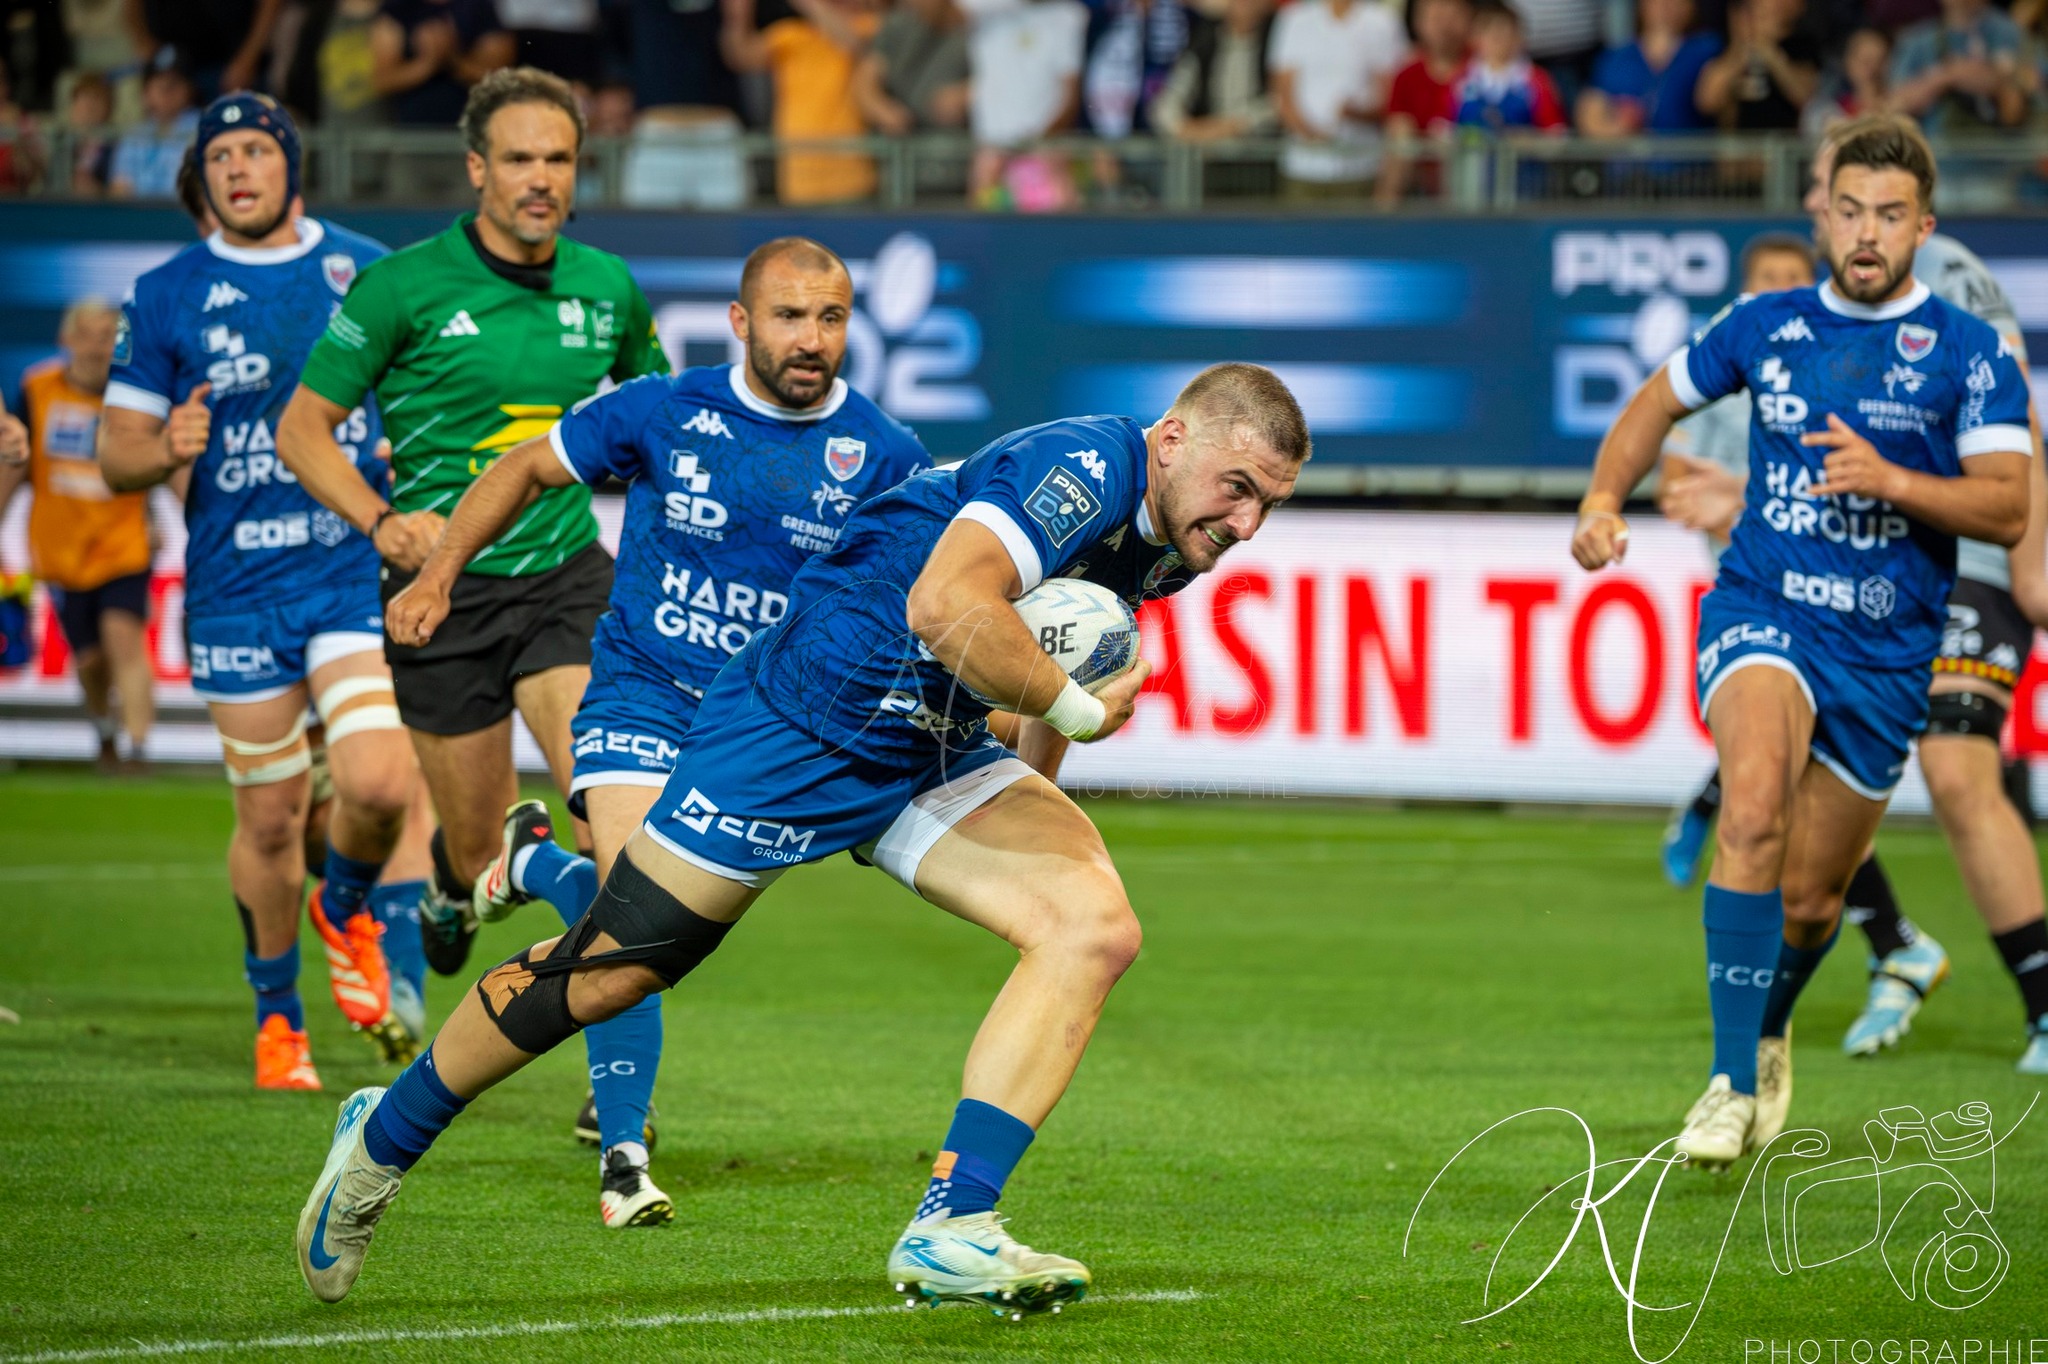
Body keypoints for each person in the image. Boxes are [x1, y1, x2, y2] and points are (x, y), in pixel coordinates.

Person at [295, 362, 1310, 1308]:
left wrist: (1031, 791)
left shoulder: (1174, 542)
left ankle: (949, 1222)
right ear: (1170, 439)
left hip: (933, 744)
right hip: (801, 719)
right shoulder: (1082, 466)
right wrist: (1084, 713)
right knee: (609, 970)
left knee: (1089, 925)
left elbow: (1031, 663)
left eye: (1268, 502)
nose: (1247, 521)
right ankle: (382, 1138)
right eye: (1237, 487)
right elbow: (944, 601)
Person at [382, 237, 933, 1228]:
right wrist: (437, 574)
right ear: (739, 321)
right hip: (639, 691)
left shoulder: (884, 453)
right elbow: (522, 467)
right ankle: (625, 1154)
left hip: (759, 728)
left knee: (642, 920)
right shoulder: (663, 408)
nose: (810, 339)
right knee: (629, 901)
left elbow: (934, 586)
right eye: (788, 316)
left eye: (831, 318)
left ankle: (529, 862)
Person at [1572, 119, 2031, 1168]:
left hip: (1884, 647)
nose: (1864, 234)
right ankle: (1728, 1084)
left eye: (1887, 216)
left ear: (1922, 226)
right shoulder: (1764, 322)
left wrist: (1893, 480)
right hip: (1764, 607)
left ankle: (1764, 1027)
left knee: (1815, 895)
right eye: (1847, 210)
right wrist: (1604, 496)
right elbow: (1655, 398)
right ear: (1821, 213)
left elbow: (2007, 506)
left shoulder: (1969, 353)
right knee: (1750, 799)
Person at [278, 67, 669, 985]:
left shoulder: (609, 287)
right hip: (440, 590)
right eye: (521, 158)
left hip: (568, 575)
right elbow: (300, 431)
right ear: (477, 171)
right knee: (476, 848)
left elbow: (659, 427)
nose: (543, 177)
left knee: (608, 815)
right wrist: (381, 522)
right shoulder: (400, 288)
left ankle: (606, 1047)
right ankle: (450, 896)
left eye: (561, 159)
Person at [97, 94, 421, 1089]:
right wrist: (166, 447)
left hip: (342, 574)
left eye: (256, 150)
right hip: (236, 591)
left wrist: (409, 448)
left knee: (375, 780)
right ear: (205, 178)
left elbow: (419, 396)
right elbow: (115, 455)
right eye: (220, 155)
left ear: (290, 164)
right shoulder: (164, 292)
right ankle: (278, 1017)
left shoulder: (364, 266)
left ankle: (348, 903)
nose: (239, 168)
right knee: (273, 815)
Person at [1656, 233, 1816, 884]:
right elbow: (1673, 475)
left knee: (1792, 726)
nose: (1780, 287)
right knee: (1779, 718)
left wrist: (1738, 489)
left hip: (1827, 566)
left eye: (1792, 276)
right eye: (1766, 276)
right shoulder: (1718, 372)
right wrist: (1729, 501)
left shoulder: (1842, 368)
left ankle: (1709, 805)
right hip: (1748, 575)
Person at [0, 301, 155, 771]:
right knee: (89, 660)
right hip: (62, 549)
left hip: (124, 541)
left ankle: (137, 750)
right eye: (87, 334)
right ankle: (105, 729)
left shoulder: (135, 397)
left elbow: (161, 460)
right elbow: (16, 461)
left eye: (108, 335)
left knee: (123, 636)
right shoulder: (37, 390)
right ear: (66, 340)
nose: (96, 345)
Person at [720, 0, 879, 206]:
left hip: (852, 179)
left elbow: (852, 43)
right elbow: (742, 57)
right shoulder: (792, 33)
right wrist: (738, 16)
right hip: (798, 179)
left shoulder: (870, 26)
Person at [1268, 0, 1405, 198]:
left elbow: (1393, 98)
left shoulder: (1382, 21)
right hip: (1303, 166)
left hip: (1362, 165)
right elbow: (1282, 94)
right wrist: (1312, 136)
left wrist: (1357, 113)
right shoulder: (1293, 18)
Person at [1575, 0, 1720, 135]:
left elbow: (1711, 100)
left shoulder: (1706, 49)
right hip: (1629, 157)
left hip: (1688, 158)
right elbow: (1589, 110)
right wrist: (1617, 129)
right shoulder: (1616, 57)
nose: (1666, 5)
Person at [1889, 0, 2029, 133]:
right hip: (1938, 149)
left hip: (1999, 149)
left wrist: (1949, 74)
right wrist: (1946, 76)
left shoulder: (2008, 32)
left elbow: (2014, 90)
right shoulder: (1918, 39)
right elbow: (1895, 103)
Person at [1150, 0, 1277, 144]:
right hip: (1208, 154)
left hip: (1261, 152)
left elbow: (1281, 102)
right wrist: (1188, 130)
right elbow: (1167, 103)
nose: (1245, 3)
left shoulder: (1278, 39)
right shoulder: (1204, 41)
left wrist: (1234, 126)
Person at [1695, 0, 1819, 131]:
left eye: (1764, 15)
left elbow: (1806, 98)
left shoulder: (1800, 46)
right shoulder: (1728, 49)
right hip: (1739, 145)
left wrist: (1771, 53)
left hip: (1782, 144)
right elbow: (1706, 101)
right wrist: (1741, 53)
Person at [852, 0, 972, 135]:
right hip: (899, 147)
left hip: (955, 145)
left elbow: (995, 82)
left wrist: (966, 94)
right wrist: (882, 111)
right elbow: (865, 80)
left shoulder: (975, 29)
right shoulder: (899, 25)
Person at [1447, 1, 1566, 131]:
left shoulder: (1536, 80)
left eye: (1504, 32)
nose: (1497, 40)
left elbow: (1554, 129)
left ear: (1519, 38)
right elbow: (1443, 126)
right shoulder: (1461, 79)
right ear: (1475, 38)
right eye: (1490, 33)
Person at [110, 48, 200, 200]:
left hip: (183, 217)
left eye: (174, 83)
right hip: (139, 217)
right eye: (159, 83)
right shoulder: (135, 134)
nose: (166, 90)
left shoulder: (204, 127)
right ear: (145, 93)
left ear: (189, 89)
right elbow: (119, 188)